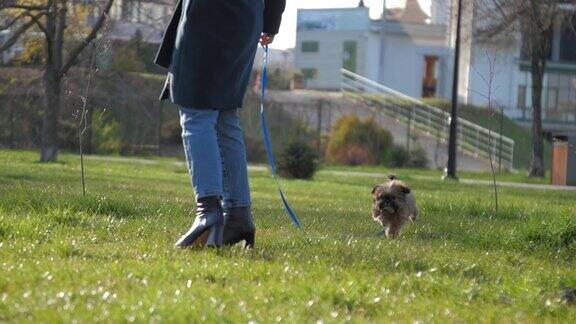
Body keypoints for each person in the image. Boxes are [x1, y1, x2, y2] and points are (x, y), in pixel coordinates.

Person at [154, 0, 286, 248]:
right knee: (225, 116)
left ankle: (208, 212)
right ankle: (238, 216)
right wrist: (270, 22)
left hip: (208, 16)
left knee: (196, 114)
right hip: (246, 19)